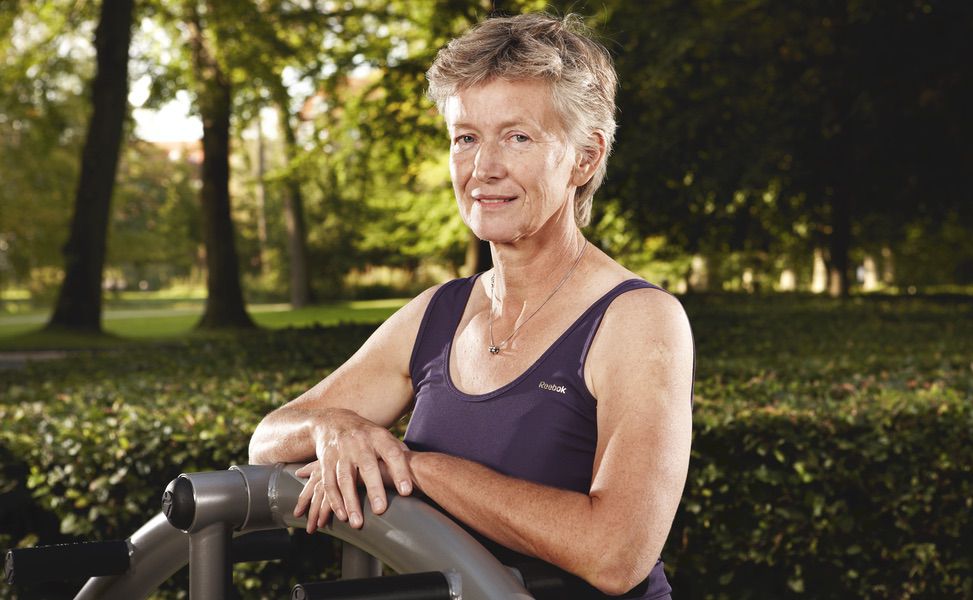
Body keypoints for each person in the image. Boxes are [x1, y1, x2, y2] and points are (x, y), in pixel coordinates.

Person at [249, 12, 693, 599]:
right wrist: (336, 428)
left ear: (585, 158)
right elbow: (269, 439)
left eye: (518, 136)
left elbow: (616, 554)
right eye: (466, 137)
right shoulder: (439, 312)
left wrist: (418, 467)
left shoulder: (638, 320)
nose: (484, 169)